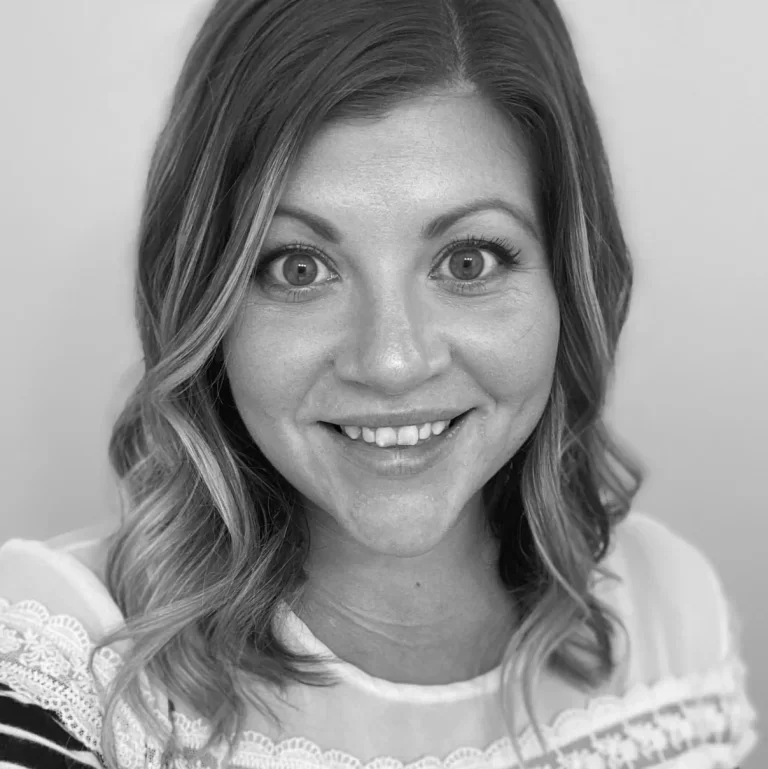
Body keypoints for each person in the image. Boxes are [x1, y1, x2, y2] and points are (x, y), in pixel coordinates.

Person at [0, 0, 758, 767]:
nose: (392, 361)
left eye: (470, 260)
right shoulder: (63, 656)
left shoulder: (671, 612)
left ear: (569, 275)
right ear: (208, 298)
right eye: (299, 268)